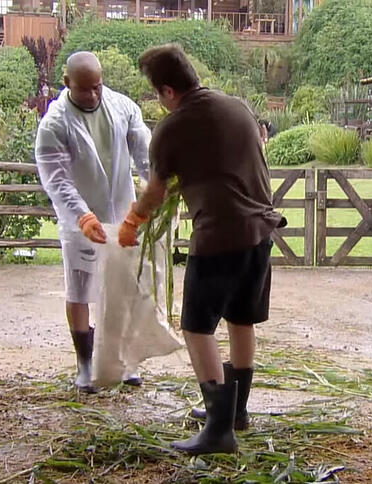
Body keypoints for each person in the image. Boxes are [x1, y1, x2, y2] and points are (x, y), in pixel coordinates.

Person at [123, 44, 283, 455]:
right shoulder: (238, 107)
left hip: (219, 238)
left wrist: (132, 221)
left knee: (197, 328)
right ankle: (237, 412)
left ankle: (217, 429)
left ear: (166, 91)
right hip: (261, 231)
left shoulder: (172, 128)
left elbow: (155, 193)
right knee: (240, 319)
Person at [34, 52, 151, 393]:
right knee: (80, 289)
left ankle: (124, 359)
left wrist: (155, 183)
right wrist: (81, 215)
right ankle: (85, 363)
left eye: (97, 87)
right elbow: (56, 179)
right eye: (84, 89)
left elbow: (142, 151)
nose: (93, 95)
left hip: (122, 214)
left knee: (125, 288)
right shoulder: (55, 123)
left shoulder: (123, 106)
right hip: (79, 218)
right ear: (67, 82)